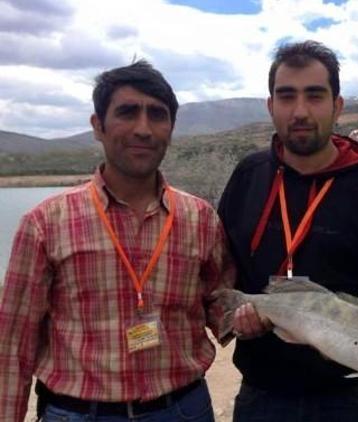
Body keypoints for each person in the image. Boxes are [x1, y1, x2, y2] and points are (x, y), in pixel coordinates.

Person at [0, 60, 235, 421]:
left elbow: (220, 306)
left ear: (170, 128)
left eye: (157, 115)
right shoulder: (45, 223)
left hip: (183, 410)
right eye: (127, 112)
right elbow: (13, 345)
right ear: (98, 125)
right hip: (79, 413)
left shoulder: (200, 219)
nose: (143, 129)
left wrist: (266, 314)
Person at [218, 40, 358, 421]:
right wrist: (238, 318)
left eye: (315, 96)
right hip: (262, 394)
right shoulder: (248, 175)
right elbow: (224, 266)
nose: (300, 111)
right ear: (270, 105)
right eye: (287, 96)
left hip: (349, 396)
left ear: (337, 106)